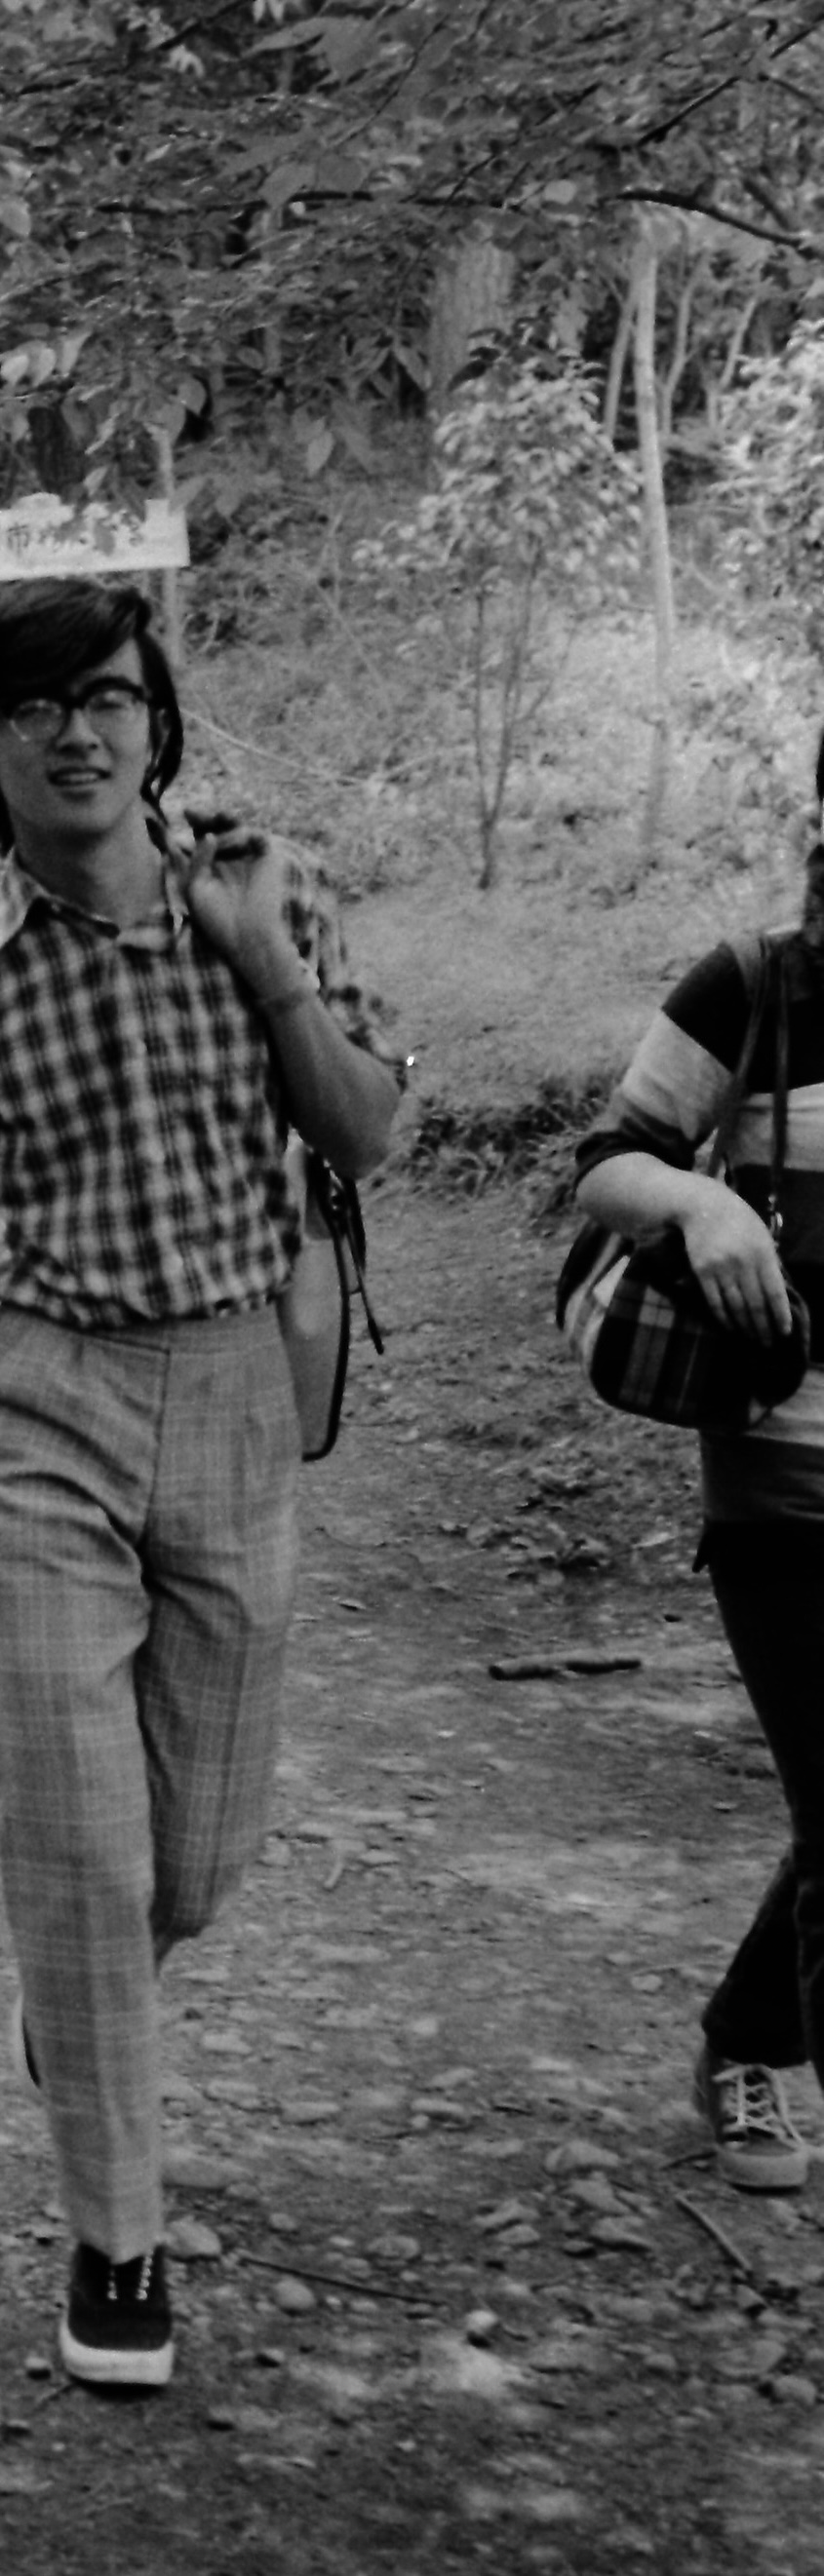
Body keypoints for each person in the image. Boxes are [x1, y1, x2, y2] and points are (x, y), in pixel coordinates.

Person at [0, 578, 404, 2390]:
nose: (77, 732)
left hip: (238, 1385)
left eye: (105, 697)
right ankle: (116, 2234)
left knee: (194, 1856)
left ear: (153, 719)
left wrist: (262, 956)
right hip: (45, 1414)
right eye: (33, 709)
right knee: (76, 1842)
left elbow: (365, 1131)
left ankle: (82, 1989)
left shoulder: (267, 890)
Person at [572, 724, 823, 2196]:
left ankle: (747, 2030)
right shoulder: (755, 984)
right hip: (788, 1489)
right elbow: (605, 1161)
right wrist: (698, 1203)